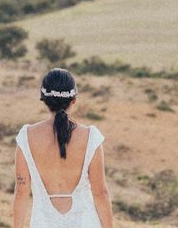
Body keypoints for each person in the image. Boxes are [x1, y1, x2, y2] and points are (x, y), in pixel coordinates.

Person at [12, 67, 113, 228]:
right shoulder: (90, 137)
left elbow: (21, 192)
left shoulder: (26, 136)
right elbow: (100, 193)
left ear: (44, 99)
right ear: (74, 100)